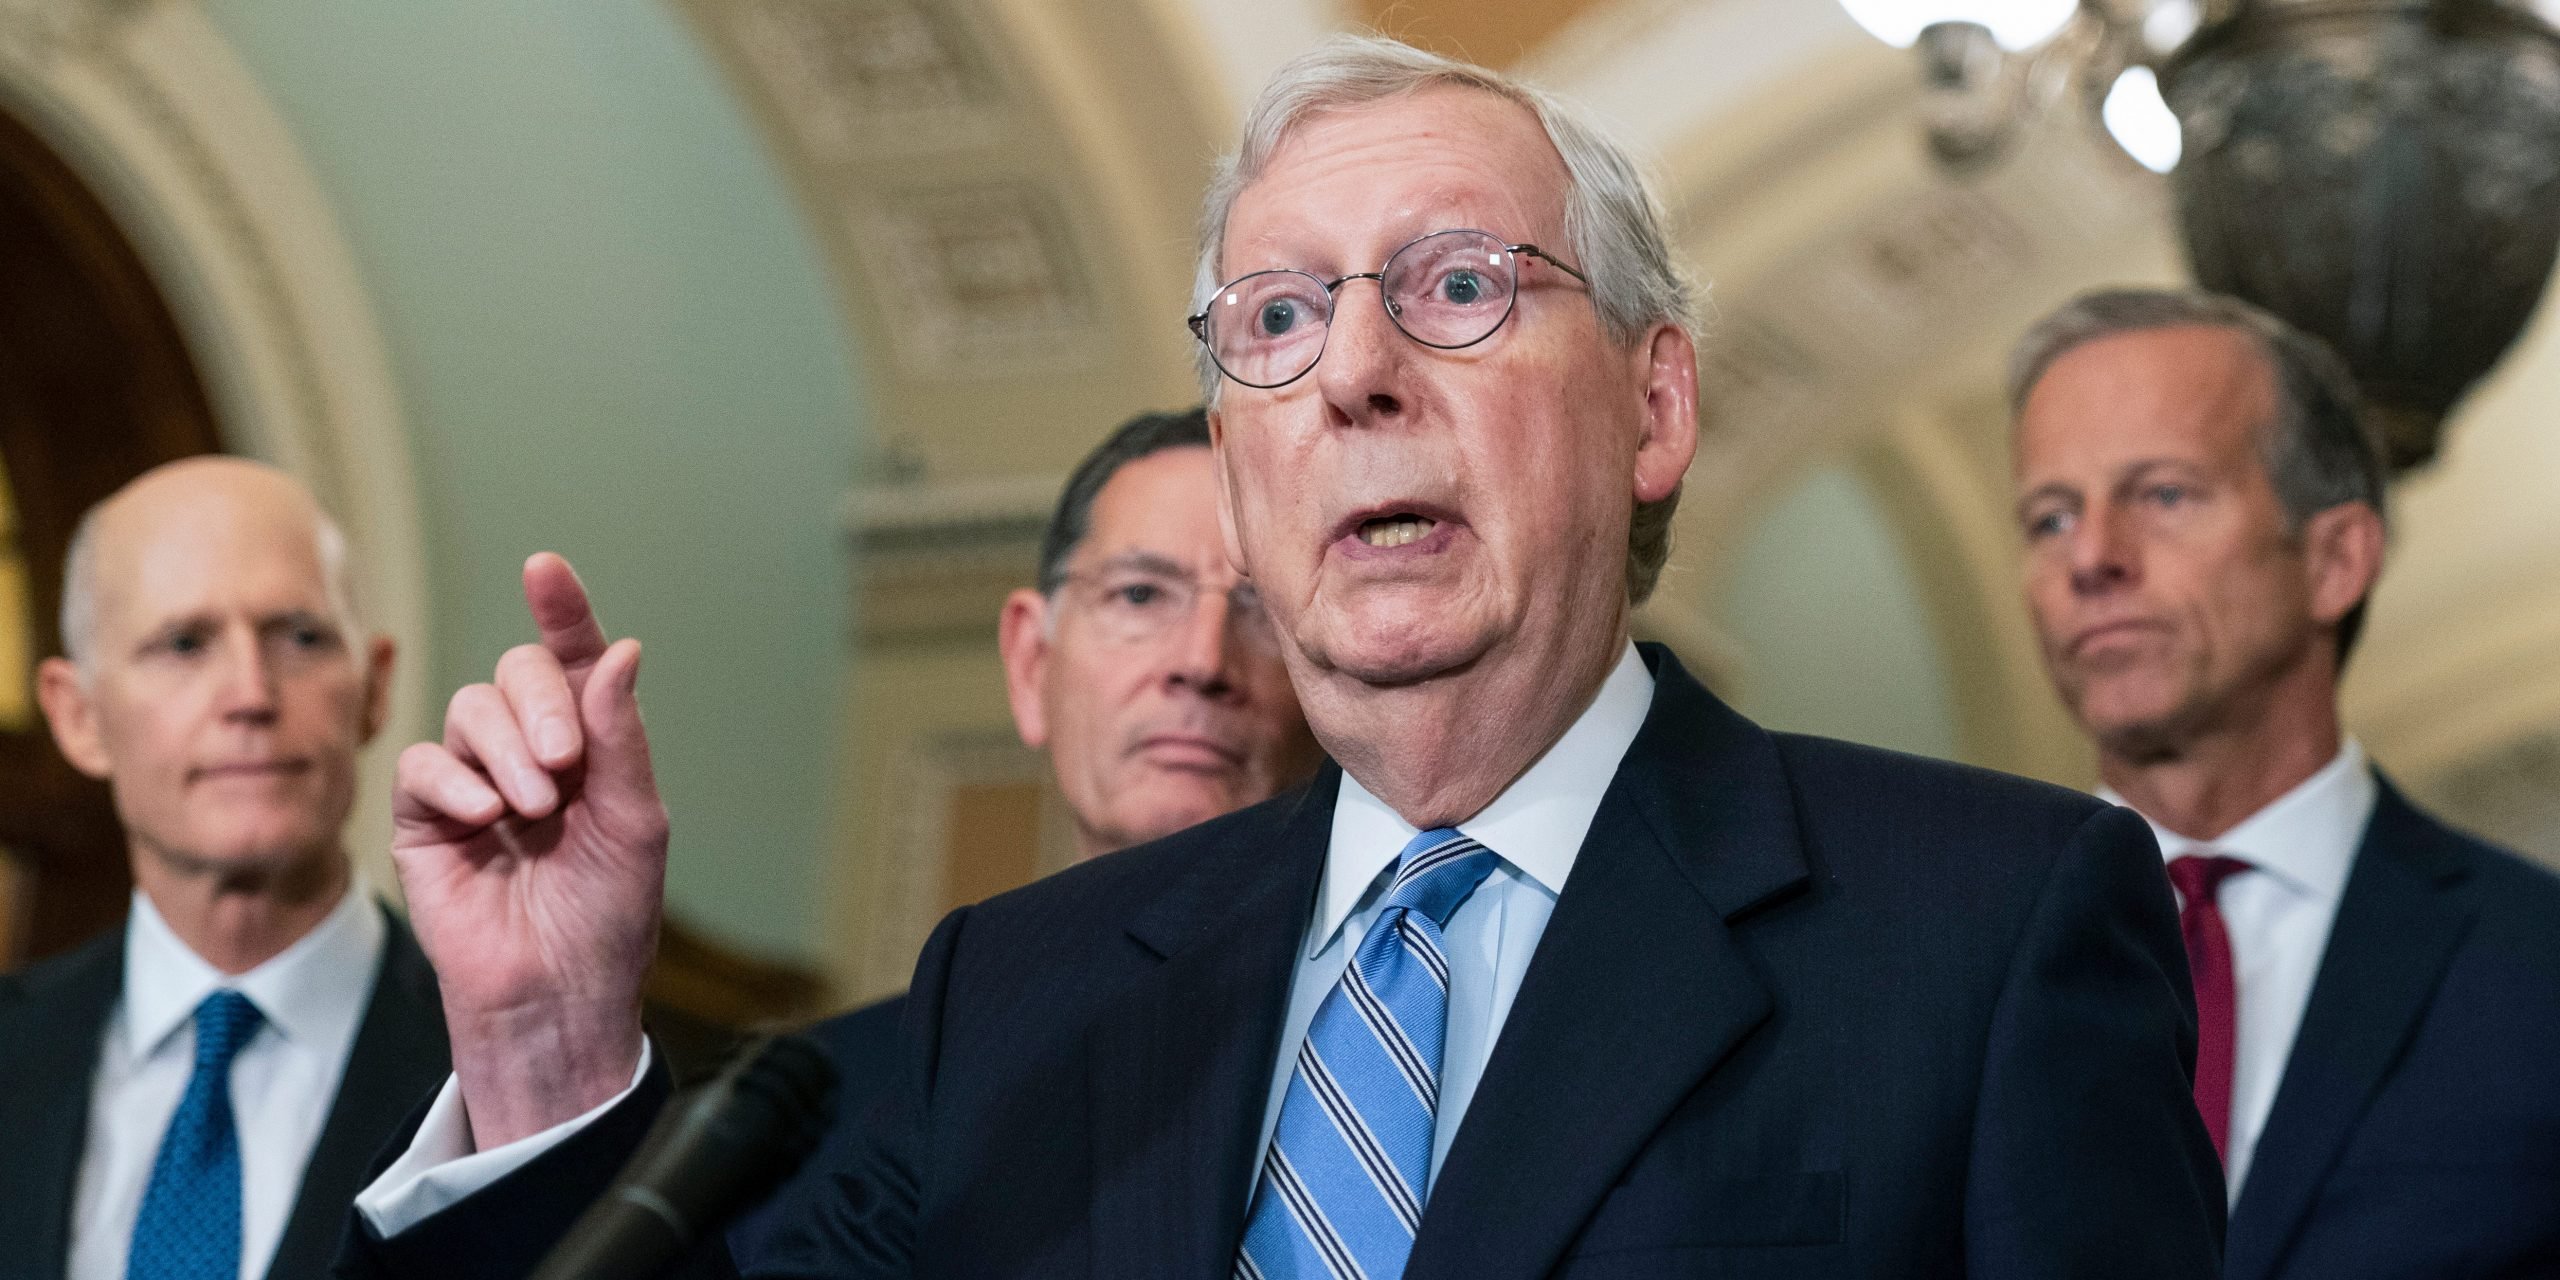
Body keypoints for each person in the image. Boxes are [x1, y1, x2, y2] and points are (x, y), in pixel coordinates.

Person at [345, 36, 2220, 1278]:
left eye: (1460, 286)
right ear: (1235, 475)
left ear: (1655, 406)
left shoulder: (1990, 926)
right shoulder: (1028, 985)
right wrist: (538, 1047)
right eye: (1275, 318)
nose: (1354, 370)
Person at [2010, 287, 2560, 1280]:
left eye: (2163, 494)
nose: (2090, 556)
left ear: (2334, 557)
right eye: (2049, 516)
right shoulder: (1922, 958)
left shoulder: (2538, 967)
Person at [725, 406, 1319, 1262]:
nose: (1202, 659)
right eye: (1140, 593)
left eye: (1260, 606)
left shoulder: (1384, 1056)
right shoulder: (816, 1102)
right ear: (1031, 666)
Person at [0, 458, 448, 1280]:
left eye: (301, 637)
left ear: (375, 688)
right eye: (184, 643)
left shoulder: (505, 1077)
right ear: (78, 716)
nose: (250, 691)